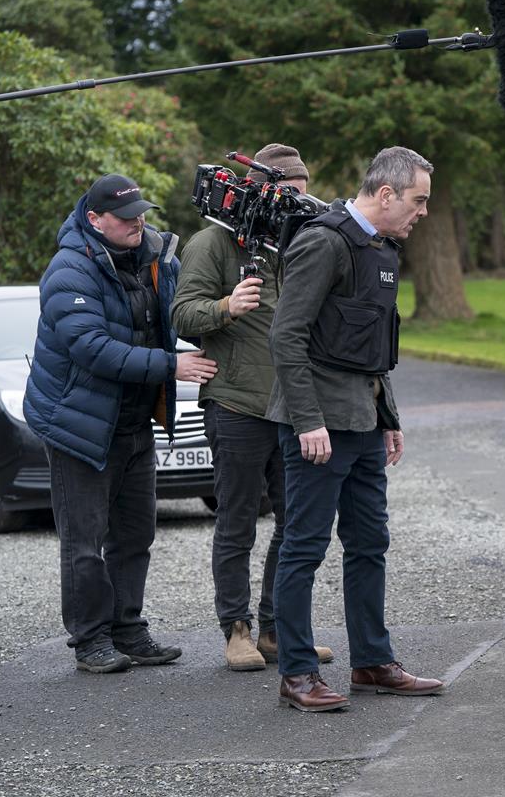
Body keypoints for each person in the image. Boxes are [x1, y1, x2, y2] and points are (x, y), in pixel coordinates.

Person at [267, 146, 444, 712]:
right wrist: (307, 420)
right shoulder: (324, 241)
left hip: (364, 423)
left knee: (370, 544)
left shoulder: (381, 249)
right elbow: (286, 336)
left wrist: (388, 419)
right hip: (319, 426)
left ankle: (372, 662)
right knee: (304, 548)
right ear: (386, 193)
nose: (422, 213)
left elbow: (375, 346)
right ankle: (296, 676)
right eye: (417, 201)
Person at [24, 173, 218, 673]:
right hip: (79, 428)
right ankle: (90, 640)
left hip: (133, 423)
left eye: (142, 214)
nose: (139, 223)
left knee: (134, 535)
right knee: (83, 542)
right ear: (94, 220)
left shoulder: (152, 258)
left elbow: (171, 320)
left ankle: (128, 630)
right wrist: (172, 366)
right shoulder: (70, 270)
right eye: (127, 217)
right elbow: (91, 349)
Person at [172, 143, 334, 672]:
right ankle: (235, 630)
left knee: (296, 523)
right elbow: (182, 314)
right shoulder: (213, 244)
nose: (298, 207)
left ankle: (276, 630)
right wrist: (225, 306)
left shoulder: (303, 243)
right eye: (290, 195)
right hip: (237, 404)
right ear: (265, 190)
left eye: (304, 197)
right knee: (237, 522)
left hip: (292, 408)